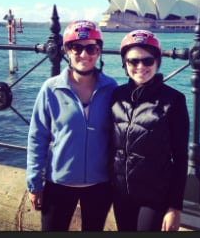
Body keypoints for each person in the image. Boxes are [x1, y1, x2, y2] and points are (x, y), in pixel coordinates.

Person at [26, 20, 117, 231]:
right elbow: (37, 138)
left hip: (100, 185)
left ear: (99, 50)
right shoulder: (51, 89)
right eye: (77, 47)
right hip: (59, 183)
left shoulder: (111, 87)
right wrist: (34, 183)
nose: (84, 54)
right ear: (67, 50)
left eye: (91, 48)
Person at [110, 29, 190, 231]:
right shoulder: (116, 96)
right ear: (124, 63)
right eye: (133, 61)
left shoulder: (174, 100)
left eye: (147, 61)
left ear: (157, 61)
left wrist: (175, 207)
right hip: (121, 194)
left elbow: (181, 158)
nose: (140, 67)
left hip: (155, 197)